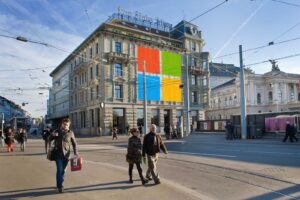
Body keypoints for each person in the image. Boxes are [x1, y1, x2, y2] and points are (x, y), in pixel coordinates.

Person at [48, 118, 77, 193]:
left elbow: (74, 143)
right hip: (58, 154)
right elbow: (49, 139)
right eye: (64, 124)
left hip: (66, 155)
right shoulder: (57, 131)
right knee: (59, 170)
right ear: (62, 124)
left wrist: (75, 153)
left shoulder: (71, 133)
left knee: (63, 170)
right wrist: (52, 135)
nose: (65, 126)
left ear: (69, 125)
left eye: (66, 124)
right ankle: (60, 186)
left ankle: (60, 182)